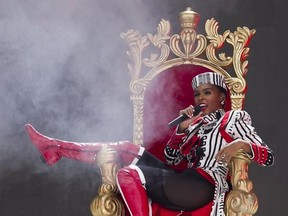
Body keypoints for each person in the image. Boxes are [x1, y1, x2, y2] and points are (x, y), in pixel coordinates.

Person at [26, 72, 274, 216]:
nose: (200, 98)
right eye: (198, 93)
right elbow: (172, 158)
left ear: (222, 98)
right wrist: (182, 129)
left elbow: (267, 155)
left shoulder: (233, 118)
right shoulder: (196, 124)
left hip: (205, 184)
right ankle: (55, 148)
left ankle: (54, 149)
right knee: (124, 147)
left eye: (207, 92)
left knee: (128, 175)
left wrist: (240, 145)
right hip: (182, 177)